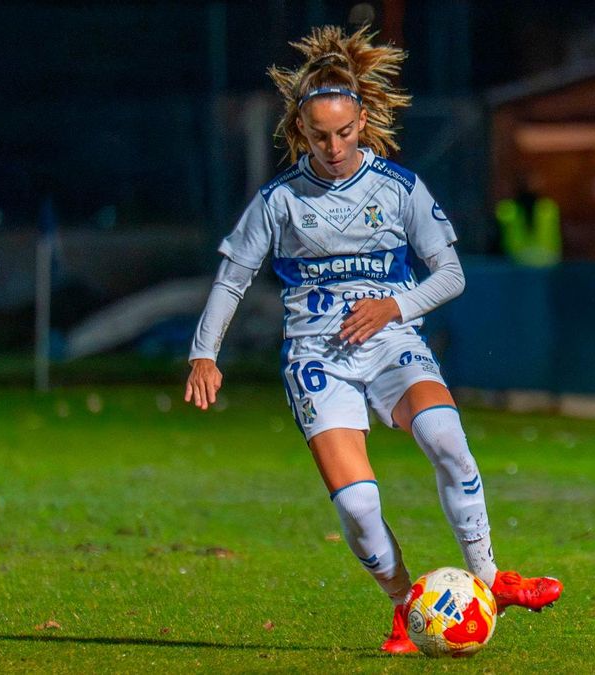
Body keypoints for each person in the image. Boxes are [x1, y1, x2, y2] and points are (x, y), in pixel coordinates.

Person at [183, 26, 563, 654]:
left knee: (446, 438)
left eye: (344, 132)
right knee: (358, 506)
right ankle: (405, 607)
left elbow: (450, 275)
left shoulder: (400, 188)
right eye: (320, 136)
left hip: (392, 345)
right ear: (300, 130)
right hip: (318, 358)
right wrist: (205, 352)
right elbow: (232, 278)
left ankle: (491, 579)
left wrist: (394, 306)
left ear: (362, 120)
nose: (334, 147)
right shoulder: (278, 201)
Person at [494, 173, 561, 267]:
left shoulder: (506, 209)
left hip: (518, 259)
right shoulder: (548, 207)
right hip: (545, 258)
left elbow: (497, 237)